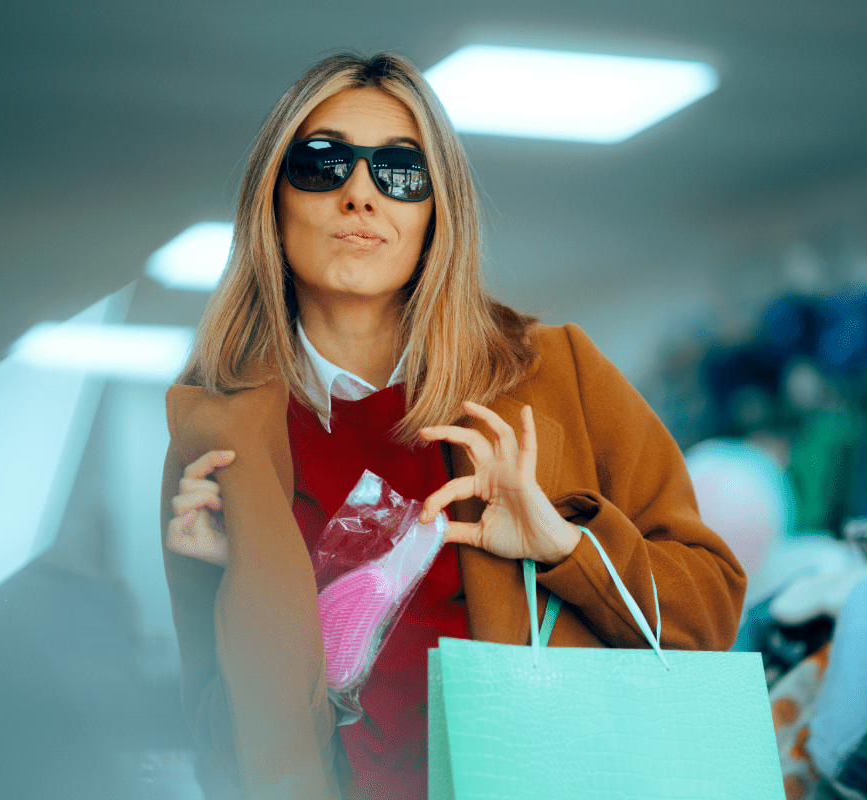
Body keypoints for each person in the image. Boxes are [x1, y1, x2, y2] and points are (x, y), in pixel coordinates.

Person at [160, 51, 747, 800]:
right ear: (272, 198)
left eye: (400, 173)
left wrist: (568, 548)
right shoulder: (218, 434)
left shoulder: (555, 372)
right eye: (323, 163)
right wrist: (234, 596)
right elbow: (221, 748)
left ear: (437, 210)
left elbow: (712, 609)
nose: (361, 196)